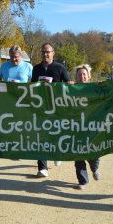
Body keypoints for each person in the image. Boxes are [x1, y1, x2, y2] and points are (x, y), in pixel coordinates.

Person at [31, 43, 70, 177]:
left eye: (48, 52)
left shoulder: (60, 68)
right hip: (41, 107)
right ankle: (42, 167)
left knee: (55, 133)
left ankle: (57, 153)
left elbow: (68, 84)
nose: (45, 54)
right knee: (41, 136)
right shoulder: (36, 69)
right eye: (43, 52)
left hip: (56, 107)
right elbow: (32, 86)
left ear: (53, 53)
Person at [72, 64, 100, 189]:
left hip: (92, 126)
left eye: (84, 74)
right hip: (76, 127)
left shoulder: (95, 88)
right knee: (78, 154)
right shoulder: (72, 89)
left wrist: (101, 87)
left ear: (88, 76)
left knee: (92, 152)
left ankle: (94, 168)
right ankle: (82, 181)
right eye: (79, 75)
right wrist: (66, 87)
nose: (82, 76)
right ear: (76, 77)